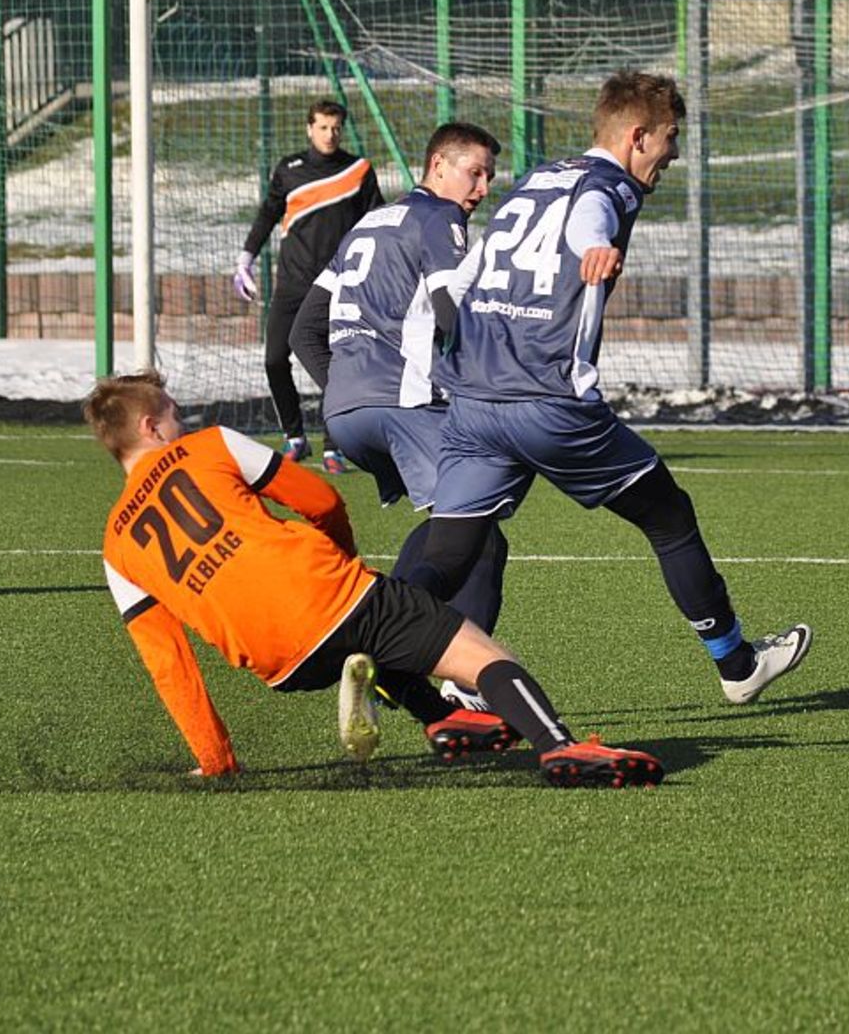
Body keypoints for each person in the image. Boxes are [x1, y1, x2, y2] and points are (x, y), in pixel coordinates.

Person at [398, 71, 812, 704]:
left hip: (474, 403)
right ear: (637, 135)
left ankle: (371, 646)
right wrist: (596, 248)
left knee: (451, 551)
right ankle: (735, 664)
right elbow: (590, 219)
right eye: (670, 138)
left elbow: (465, 274)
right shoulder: (609, 186)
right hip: (548, 402)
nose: (673, 152)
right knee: (669, 518)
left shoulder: (534, 179)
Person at [83, 370, 663, 788]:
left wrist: (216, 760)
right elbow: (320, 499)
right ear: (151, 425)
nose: (181, 422)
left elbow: (169, 664)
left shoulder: (115, 547)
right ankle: (560, 746)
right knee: (481, 652)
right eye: (174, 413)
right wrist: (342, 565)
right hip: (330, 597)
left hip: (281, 666)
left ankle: (439, 716)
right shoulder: (209, 446)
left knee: (376, 634)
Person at [290, 121, 512, 641]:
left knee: (449, 529)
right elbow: (452, 314)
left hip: (345, 416)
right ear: (438, 165)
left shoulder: (366, 224)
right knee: (478, 535)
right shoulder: (441, 217)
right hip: (405, 404)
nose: (482, 189)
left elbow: (303, 332)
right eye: (474, 173)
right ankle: (440, 669)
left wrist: (345, 387)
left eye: (489, 177)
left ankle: (391, 647)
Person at [233, 99, 384, 473]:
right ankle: (295, 437)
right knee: (273, 360)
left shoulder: (358, 170)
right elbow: (268, 213)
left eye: (336, 128)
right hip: (291, 284)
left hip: (337, 285)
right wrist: (245, 258)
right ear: (309, 128)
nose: (330, 134)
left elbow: (377, 221)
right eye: (322, 127)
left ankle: (335, 446)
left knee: (333, 364)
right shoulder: (289, 169)